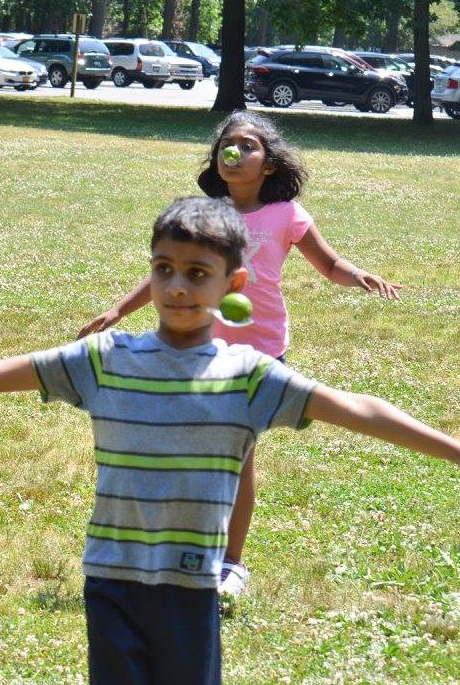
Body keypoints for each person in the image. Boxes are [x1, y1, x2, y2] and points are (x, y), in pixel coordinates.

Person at [0, 196, 460, 685]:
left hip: (190, 584)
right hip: (112, 578)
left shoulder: (250, 377)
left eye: (196, 273)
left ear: (232, 285)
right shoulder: (104, 361)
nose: (178, 287)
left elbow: (358, 409)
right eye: (164, 270)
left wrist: (459, 451)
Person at [78, 110, 401, 597]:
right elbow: (171, 271)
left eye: (248, 146)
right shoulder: (207, 215)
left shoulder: (287, 214)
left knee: (237, 460)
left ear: (269, 164)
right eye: (227, 145)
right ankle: (182, 542)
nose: (234, 153)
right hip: (199, 348)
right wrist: (118, 310)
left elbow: (329, 263)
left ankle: (231, 562)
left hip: (261, 353)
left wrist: (358, 276)